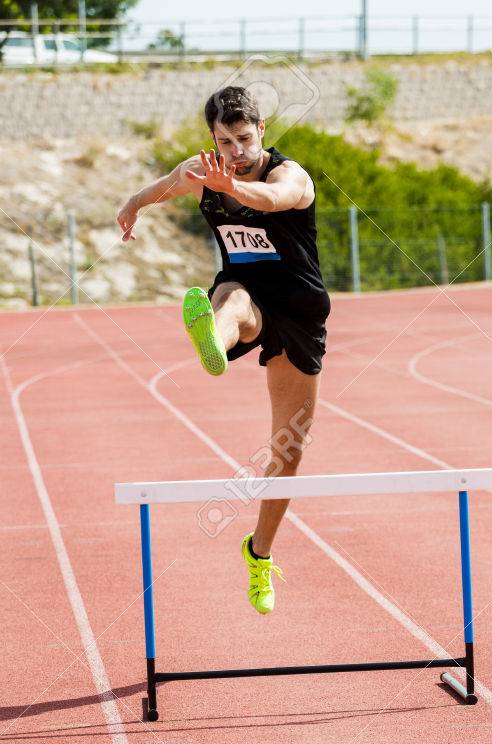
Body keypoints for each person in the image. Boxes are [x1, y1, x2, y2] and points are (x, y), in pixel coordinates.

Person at [116, 85, 329, 616]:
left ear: (262, 130)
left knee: (288, 451)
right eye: (224, 142)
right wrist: (132, 206)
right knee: (232, 300)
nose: (235, 151)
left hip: (298, 311)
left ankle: (259, 554)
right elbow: (164, 187)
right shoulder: (202, 170)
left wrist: (230, 185)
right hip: (246, 293)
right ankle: (213, 338)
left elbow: (271, 201)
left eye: (244, 139)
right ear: (212, 138)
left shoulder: (290, 175)